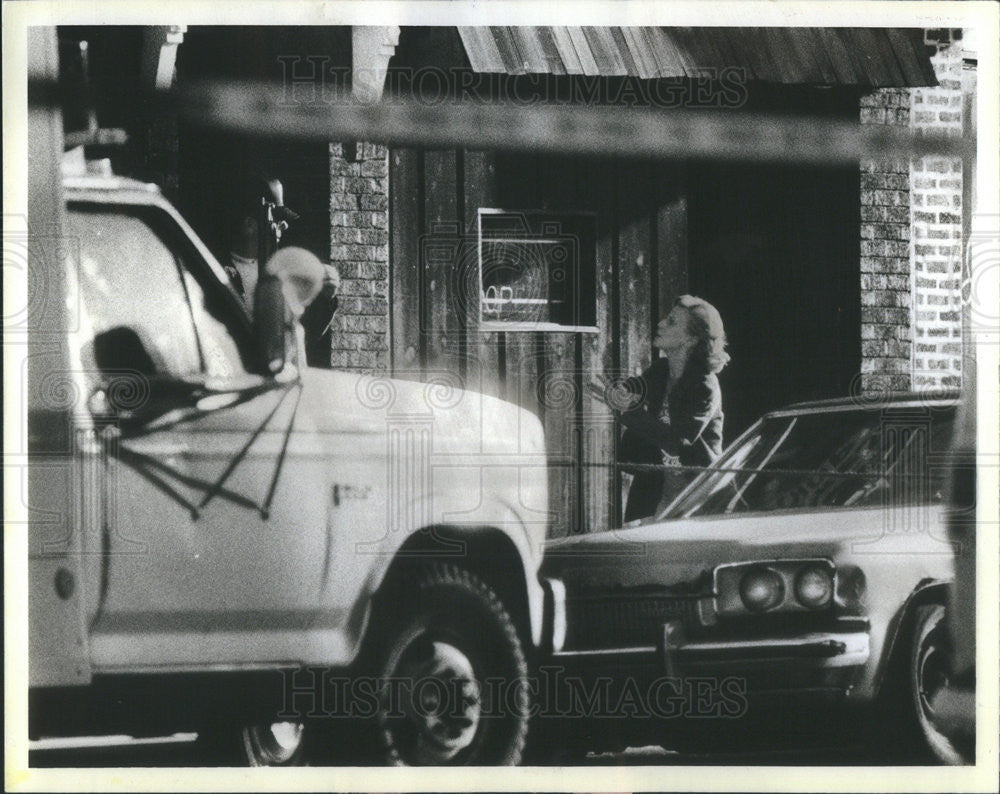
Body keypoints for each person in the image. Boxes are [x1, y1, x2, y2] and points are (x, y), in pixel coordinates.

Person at [614, 295, 730, 522]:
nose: (660, 324)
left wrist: (630, 412)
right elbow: (632, 390)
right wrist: (618, 392)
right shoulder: (660, 370)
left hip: (694, 493)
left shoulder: (704, 385)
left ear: (690, 339)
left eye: (671, 322)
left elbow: (679, 441)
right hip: (655, 488)